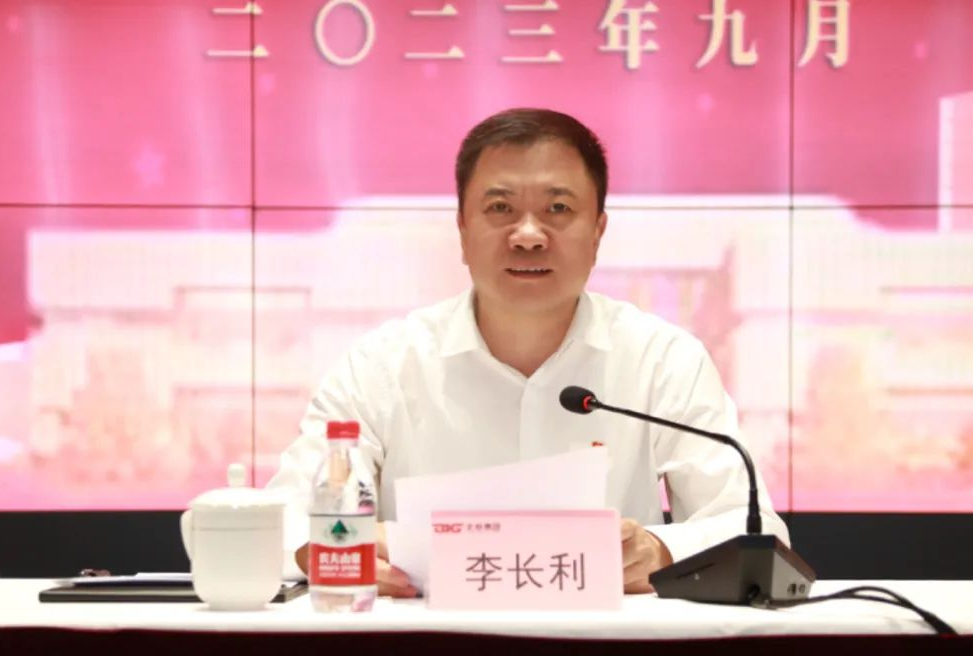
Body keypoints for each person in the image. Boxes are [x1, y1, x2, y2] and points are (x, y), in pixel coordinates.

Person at [267, 107, 789, 597]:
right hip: (423, 651)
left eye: (558, 208)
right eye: (500, 208)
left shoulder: (662, 359)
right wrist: (325, 548)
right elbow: (278, 523)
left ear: (598, 231)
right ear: (462, 229)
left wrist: (660, 550)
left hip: (609, 654)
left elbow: (757, 532)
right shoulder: (381, 366)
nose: (529, 235)